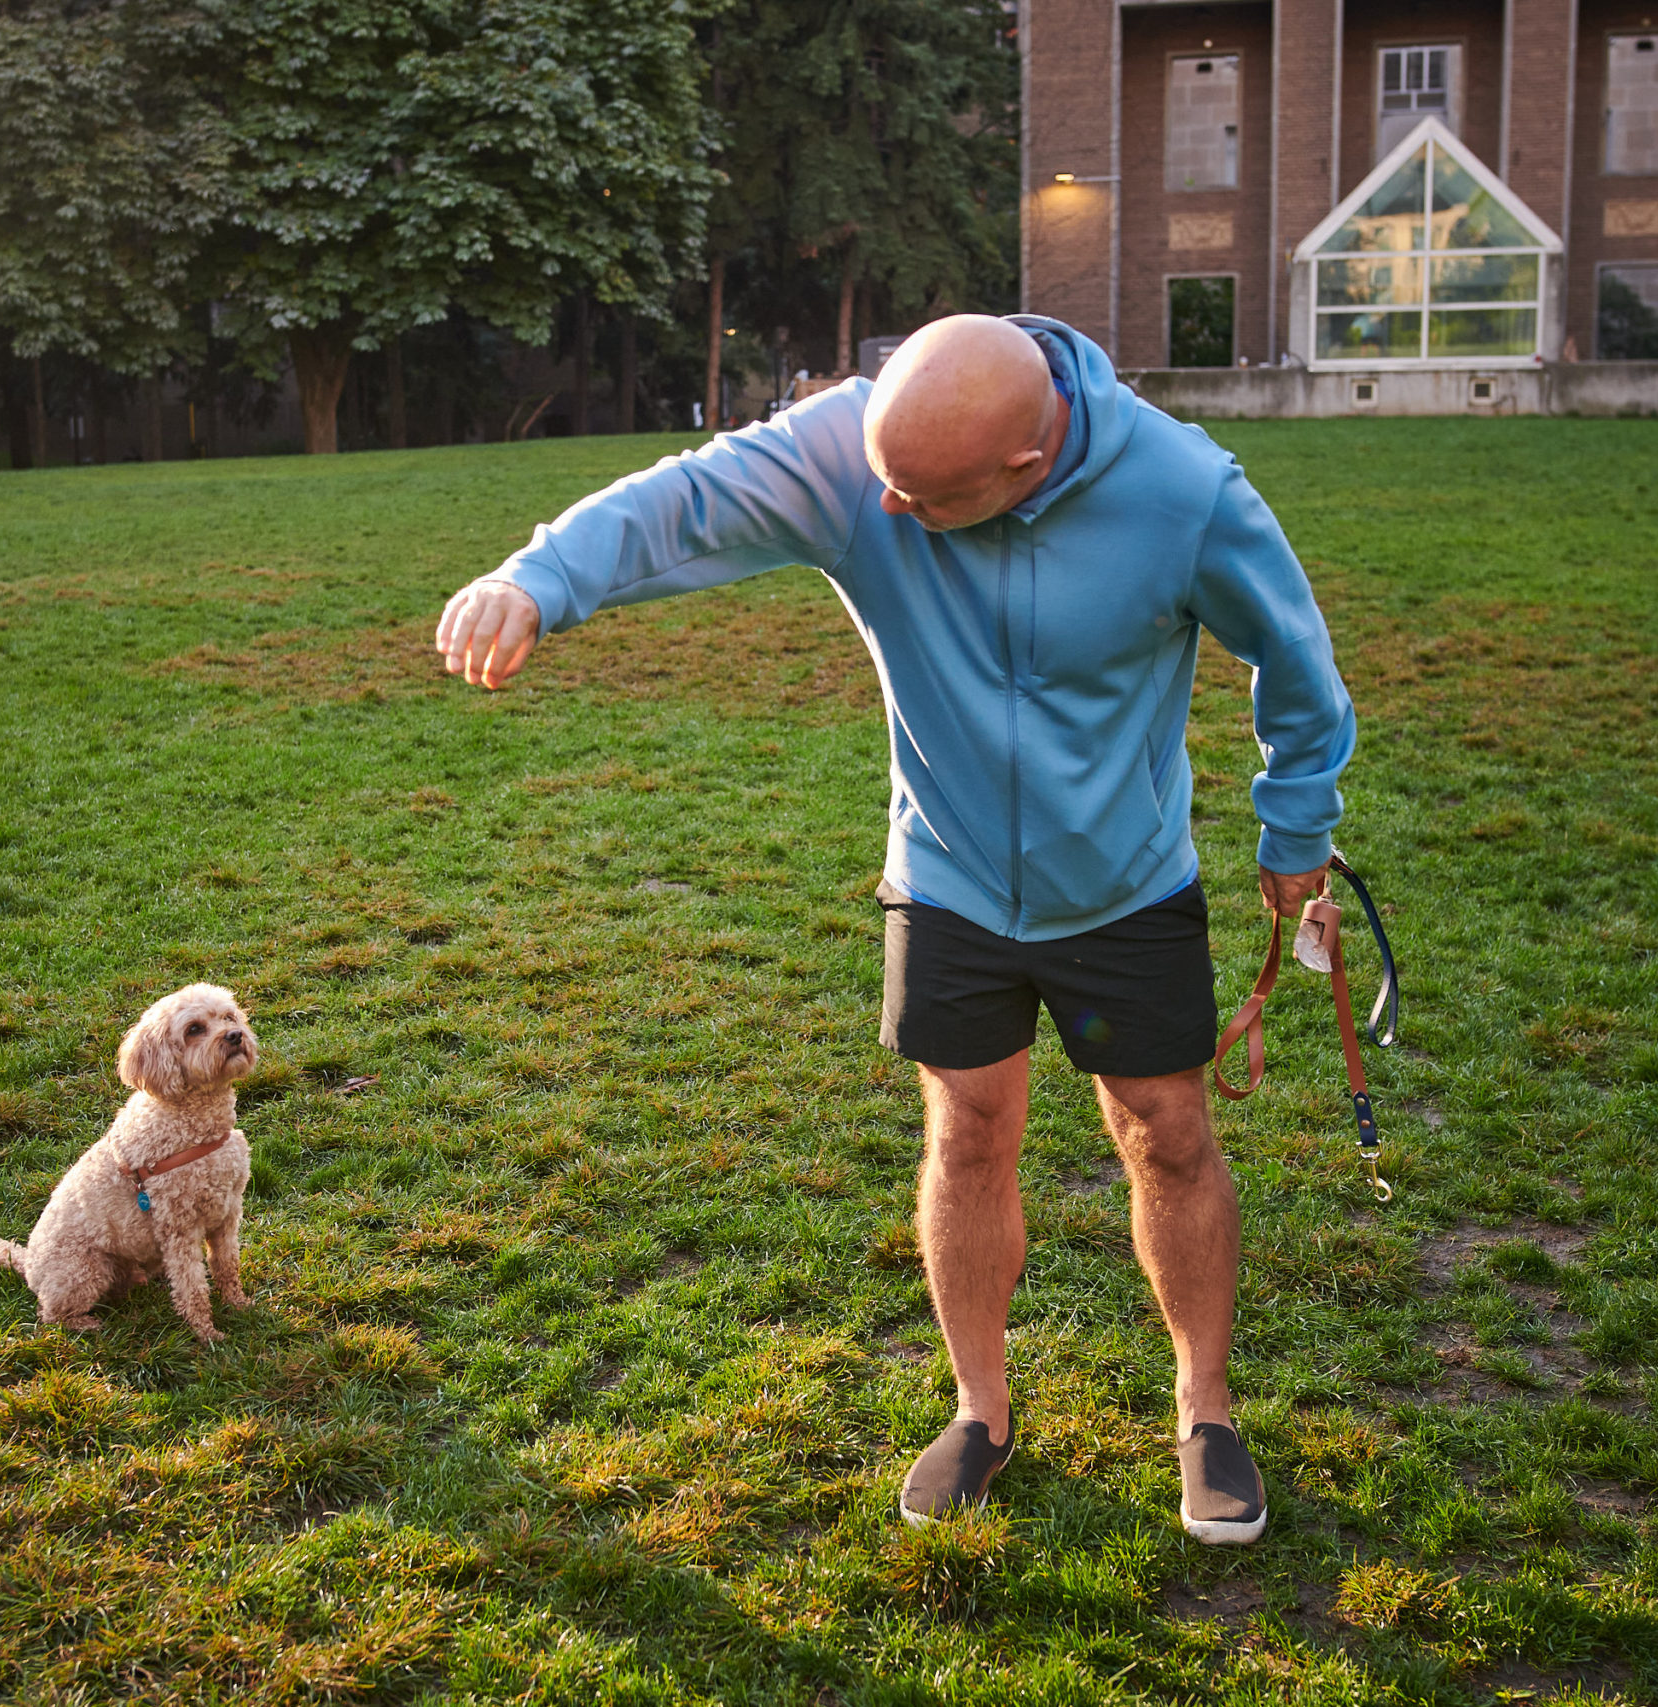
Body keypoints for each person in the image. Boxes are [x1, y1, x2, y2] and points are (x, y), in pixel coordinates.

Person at [434, 313, 1353, 1542]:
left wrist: (1295, 831)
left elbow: (1293, 663)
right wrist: (532, 578)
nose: (887, 508)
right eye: (884, 480)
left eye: (923, 497)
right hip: (949, 882)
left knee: (1170, 1135)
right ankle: (981, 1408)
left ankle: (1203, 1405)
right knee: (969, 1131)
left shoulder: (1181, 492)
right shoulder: (863, 455)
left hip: (1123, 890)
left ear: (1027, 462)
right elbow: (683, 504)